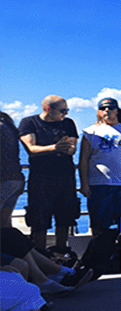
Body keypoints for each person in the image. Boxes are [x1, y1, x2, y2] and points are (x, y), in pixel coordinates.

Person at [17, 96, 80, 249]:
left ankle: (61, 253)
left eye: (67, 110)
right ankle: (40, 256)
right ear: (47, 109)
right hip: (41, 178)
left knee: (65, 219)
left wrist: (63, 147)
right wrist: (55, 147)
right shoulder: (29, 123)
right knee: (39, 221)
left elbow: (71, 149)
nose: (65, 114)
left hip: (65, 177)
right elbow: (31, 149)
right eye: (62, 111)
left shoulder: (68, 123)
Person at [79, 98, 121, 236]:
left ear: (117, 110)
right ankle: (100, 254)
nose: (107, 110)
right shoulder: (90, 132)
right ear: (99, 112)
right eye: (103, 108)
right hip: (98, 185)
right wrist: (84, 184)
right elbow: (83, 160)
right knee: (98, 224)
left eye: (111, 107)